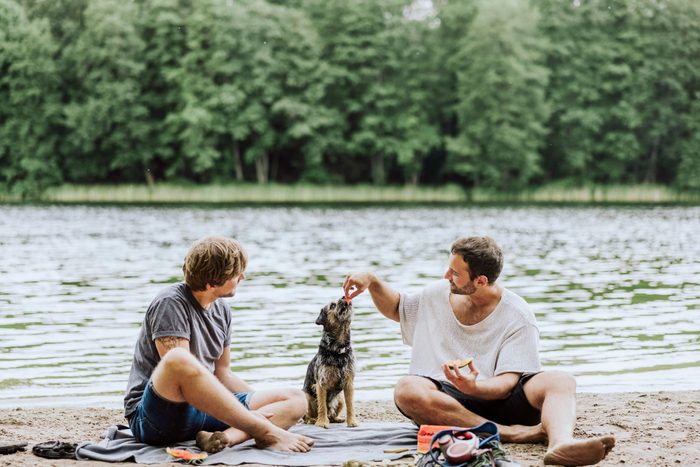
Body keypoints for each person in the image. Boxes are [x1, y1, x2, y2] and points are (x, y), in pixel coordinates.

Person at [343, 236, 615, 466]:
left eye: (455, 273)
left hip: (503, 398)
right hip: (449, 402)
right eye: (449, 268)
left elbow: (507, 383)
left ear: (481, 280)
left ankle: (560, 444)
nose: (446, 276)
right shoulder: (437, 294)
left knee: (561, 380)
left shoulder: (518, 315)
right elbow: (397, 308)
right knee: (407, 389)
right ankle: (511, 434)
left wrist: (474, 386)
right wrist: (373, 282)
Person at [124, 236, 313, 453]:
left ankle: (225, 438)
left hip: (204, 412)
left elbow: (223, 374)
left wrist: (266, 409)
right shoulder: (170, 303)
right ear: (211, 283)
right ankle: (263, 431)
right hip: (155, 418)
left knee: (296, 399)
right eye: (236, 273)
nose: (243, 276)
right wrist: (254, 418)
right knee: (179, 359)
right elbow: (180, 374)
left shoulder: (222, 309)